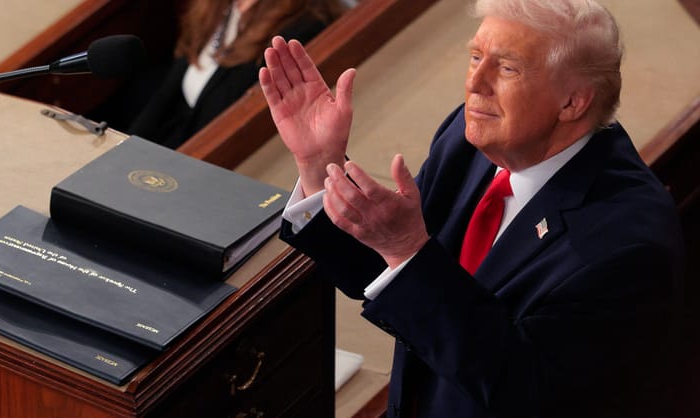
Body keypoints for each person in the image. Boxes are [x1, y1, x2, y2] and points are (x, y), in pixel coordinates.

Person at [258, 0, 684, 417]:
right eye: (476, 56)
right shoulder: (470, 140)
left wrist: (407, 250)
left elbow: (523, 389)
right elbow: (391, 272)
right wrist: (321, 163)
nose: (476, 83)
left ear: (573, 103)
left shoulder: (628, 247)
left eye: (507, 67)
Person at [93, 0, 345, 149]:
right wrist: (122, 148)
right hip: (171, 139)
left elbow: (224, 121)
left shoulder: (304, 25)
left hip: (206, 156)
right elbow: (168, 91)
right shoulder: (215, 7)